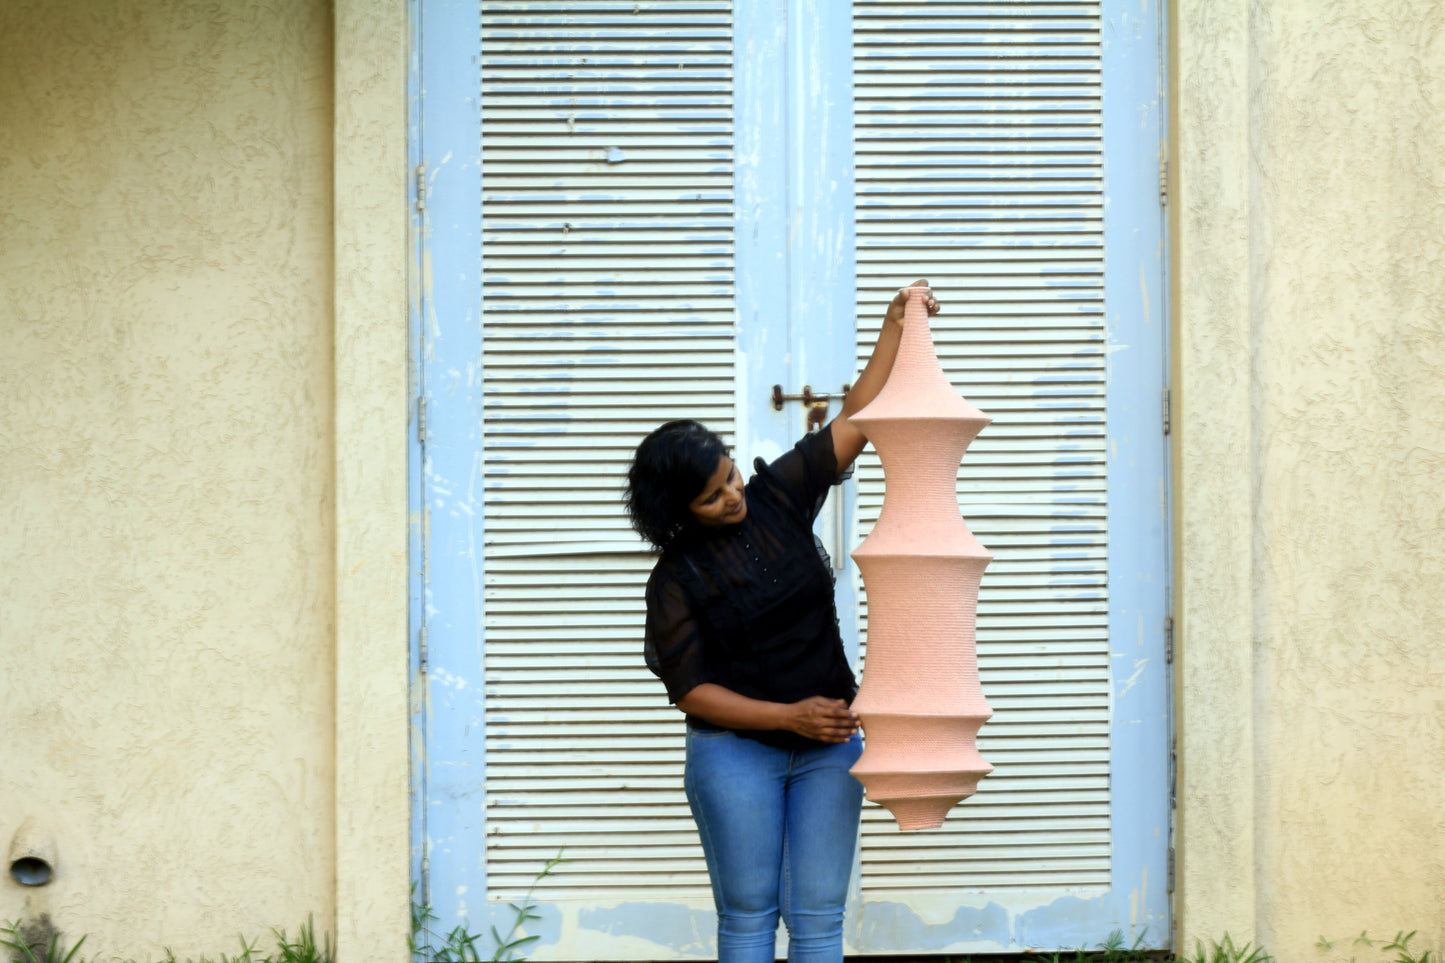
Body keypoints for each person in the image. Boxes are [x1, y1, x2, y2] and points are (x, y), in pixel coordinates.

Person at [623, 281, 941, 962]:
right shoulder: (675, 579)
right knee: (746, 920)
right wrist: (787, 717)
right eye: (711, 497)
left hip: (830, 744)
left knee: (820, 919)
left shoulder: (778, 497)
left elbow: (859, 417)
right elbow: (690, 691)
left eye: (731, 477)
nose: (732, 496)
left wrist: (894, 324)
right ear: (678, 510)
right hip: (734, 754)